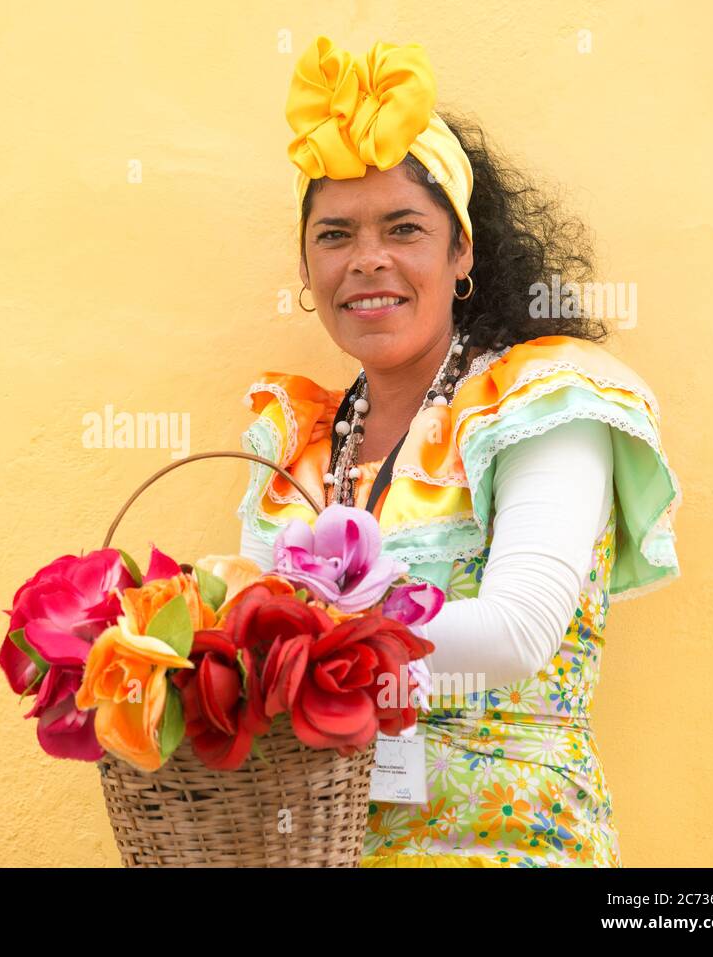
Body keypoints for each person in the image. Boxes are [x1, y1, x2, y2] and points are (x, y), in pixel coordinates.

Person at [236, 36, 681, 867]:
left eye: (404, 227)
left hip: (507, 844)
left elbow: (518, 630)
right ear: (308, 264)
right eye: (335, 235)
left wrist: (303, 659)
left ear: (462, 250)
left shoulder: (544, 403)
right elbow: (250, 647)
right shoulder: (295, 442)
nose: (368, 258)